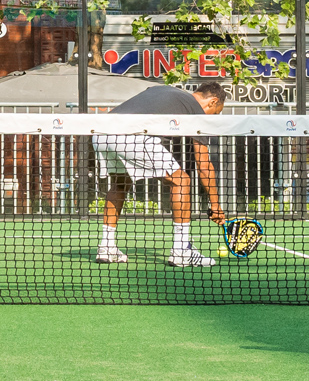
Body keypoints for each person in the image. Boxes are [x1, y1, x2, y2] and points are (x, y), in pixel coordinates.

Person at [92, 79, 227, 267]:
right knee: (181, 181)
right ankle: (181, 251)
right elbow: (204, 165)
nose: (212, 117)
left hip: (101, 133)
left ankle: (106, 247)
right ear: (212, 101)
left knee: (120, 184)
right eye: (216, 113)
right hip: (131, 135)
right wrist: (216, 206)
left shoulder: (164, 90)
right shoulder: (196, 111)